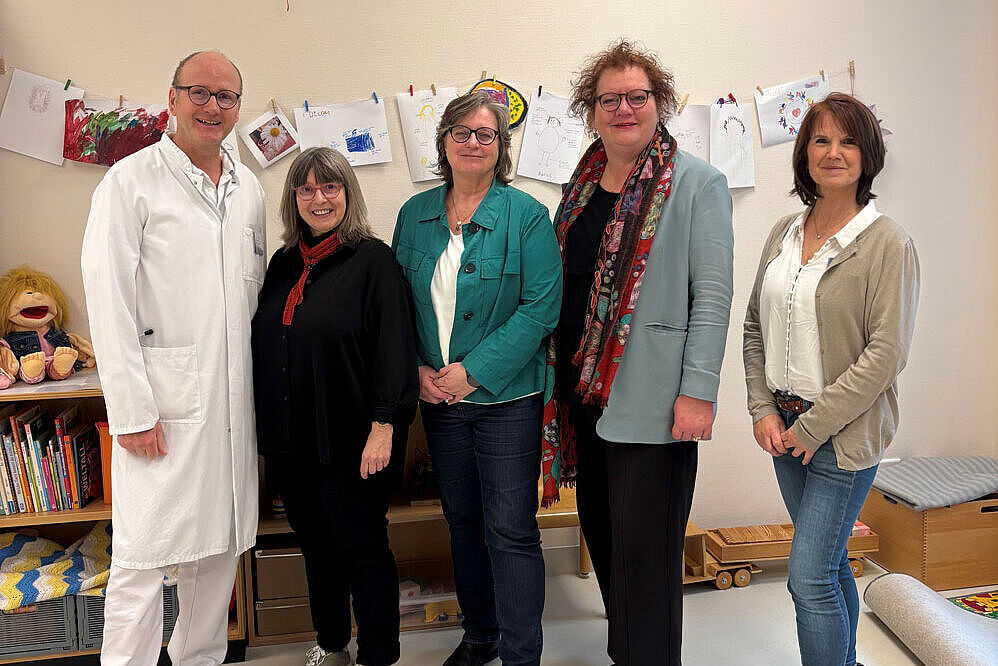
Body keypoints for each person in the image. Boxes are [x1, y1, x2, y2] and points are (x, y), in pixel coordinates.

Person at [546, 40, 733, 666]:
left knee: (647, 557)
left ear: (660, 104)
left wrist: (699, 392)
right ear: (592, 110)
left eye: (637, 97)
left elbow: (711, 296)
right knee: (605, 541)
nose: (623, 108)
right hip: (582, 397)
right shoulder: (578, 186)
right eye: (609, 99)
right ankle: (631, 651)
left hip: (655, 399)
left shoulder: (697, 183)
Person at [80, 51, 264, 665]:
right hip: (162, 405)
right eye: (200, 92)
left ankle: (200, 659)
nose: (213, 106)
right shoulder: (130, 181)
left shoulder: (249, 190)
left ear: (239, 107)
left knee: (218, 556)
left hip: (233, 406)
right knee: (142, 559)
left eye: (227, 96)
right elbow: (107, 299)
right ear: (172, 97)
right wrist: (131, 410)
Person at [743, 92, 919, 666]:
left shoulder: (888, 242)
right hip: (783, 427)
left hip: (841, 435)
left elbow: (885, 354)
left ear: (868, 156)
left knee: (807, 576)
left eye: (848, 141)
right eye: (821, 139)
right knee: (829, 562)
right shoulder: (783, 232)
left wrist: (811, 428)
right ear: (804, 152)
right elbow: (753, 327)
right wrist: (762, 409)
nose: (834, 152)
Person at [392, 91, 562, 666]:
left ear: (500, 147)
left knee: (510, 531)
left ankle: (520, 653)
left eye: (484, 134)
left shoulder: (527, 216)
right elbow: (398, 305)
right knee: (462, 523)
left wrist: (475, 372)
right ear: (442, 142)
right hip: (438, 402)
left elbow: (541, 309)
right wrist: (417, 369)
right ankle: (480, 636)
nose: (471, 142)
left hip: (507, 401)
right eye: (460, 132)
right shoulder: (414, 216)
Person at [252, 147, 418, 666]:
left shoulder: (374, 261)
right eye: (306, 189)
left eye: (330, 188)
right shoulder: (282, 264)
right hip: (292, 440)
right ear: (293, 199)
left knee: (363, 550)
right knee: (316, 548)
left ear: (348, 194)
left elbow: (395, 350)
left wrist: (385, 426)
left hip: (353, 438)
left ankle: (377, 656)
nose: (319, 198)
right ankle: (330, 642)